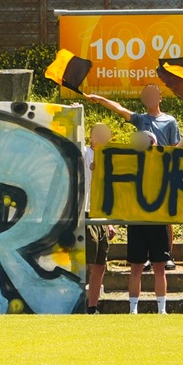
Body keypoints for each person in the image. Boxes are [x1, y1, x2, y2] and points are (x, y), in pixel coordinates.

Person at [81, 82, 183, 269]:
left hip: (161, 171)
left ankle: (167, 255)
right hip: (141, 172)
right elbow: (120, 109)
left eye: (153, 94)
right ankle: (144, 257)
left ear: (160, 98)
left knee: (164, 215)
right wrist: (100, 99)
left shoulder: (170, 121)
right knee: (141, 212)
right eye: (146, 95)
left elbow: (176, 148)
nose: (150, 98)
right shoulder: (140, 119)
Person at [122, 129, 171, 314]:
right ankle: (133, 310)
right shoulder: (128, 163)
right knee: (136, 266)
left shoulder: (163, 163)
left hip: (158, 221)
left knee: (160, 267)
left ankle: (162, 309)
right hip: (137, 221)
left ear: (155, 143)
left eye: (149, 142)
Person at [81, 122, 115, 314]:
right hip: (85, 212)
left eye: (105, 133)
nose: (102, 136)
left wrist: (109, 222)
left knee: (101, 263)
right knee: (86, 259)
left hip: (101, 214)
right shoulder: (84, 153)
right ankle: (77, 303)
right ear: (91, 137)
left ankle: (92, 307)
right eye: (98, 133)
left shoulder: (111, 159)